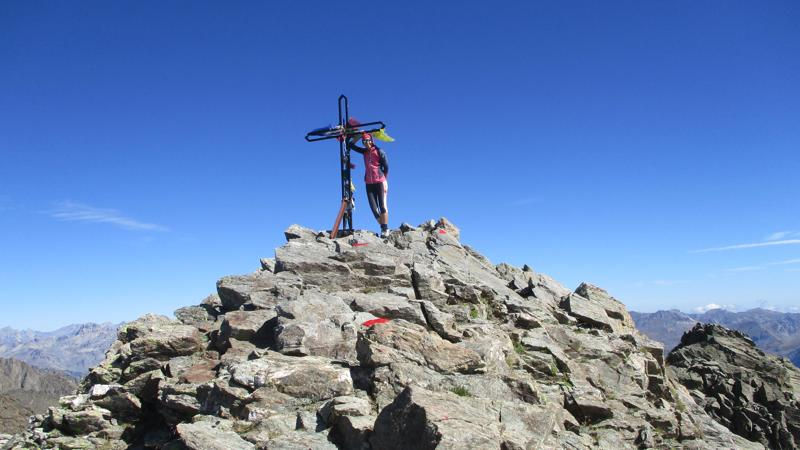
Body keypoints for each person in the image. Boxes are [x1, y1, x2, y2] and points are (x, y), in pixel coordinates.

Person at [347, 132, 390, 237]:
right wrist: (360, 134)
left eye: (367, 140)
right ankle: (383, 227)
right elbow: (350, 145)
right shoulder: (364, 152)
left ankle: (385, 229)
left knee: (382, 206)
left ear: (371, 141)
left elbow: (386, 167)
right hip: (369, 183)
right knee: (374, 210)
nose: (366, 143)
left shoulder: (379, 151)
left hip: (380, 182)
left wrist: (384, 180)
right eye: (364, 141)